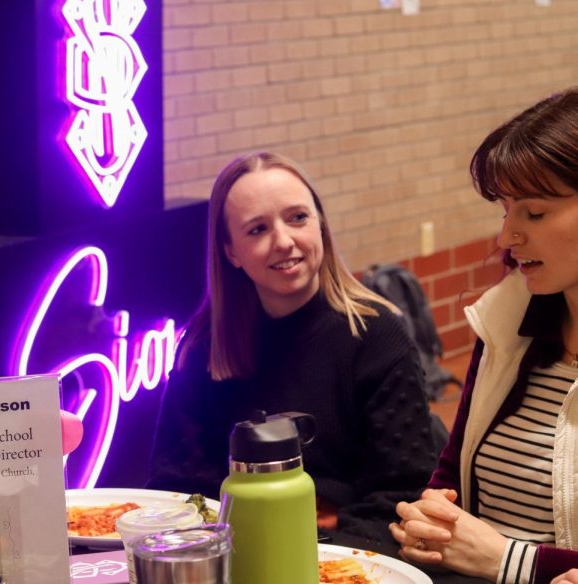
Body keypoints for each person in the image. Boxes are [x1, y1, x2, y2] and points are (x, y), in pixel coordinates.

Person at [147, 151, 438, 540]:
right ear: (230, 251)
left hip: (348, 559)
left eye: (298, 218)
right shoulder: (202, 348)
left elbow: (402, 498)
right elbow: (176, 489)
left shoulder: (377, 335)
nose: (284, 241)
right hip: (231, 553)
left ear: (320, 224)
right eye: (257, 229)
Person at [390, 88, 578, 584]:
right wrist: (432, 516)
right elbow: (451, 476)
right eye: (505, 210)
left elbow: (497, 556)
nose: (507, 237)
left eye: (533, 213)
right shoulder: (509, 322)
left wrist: (509, 561)